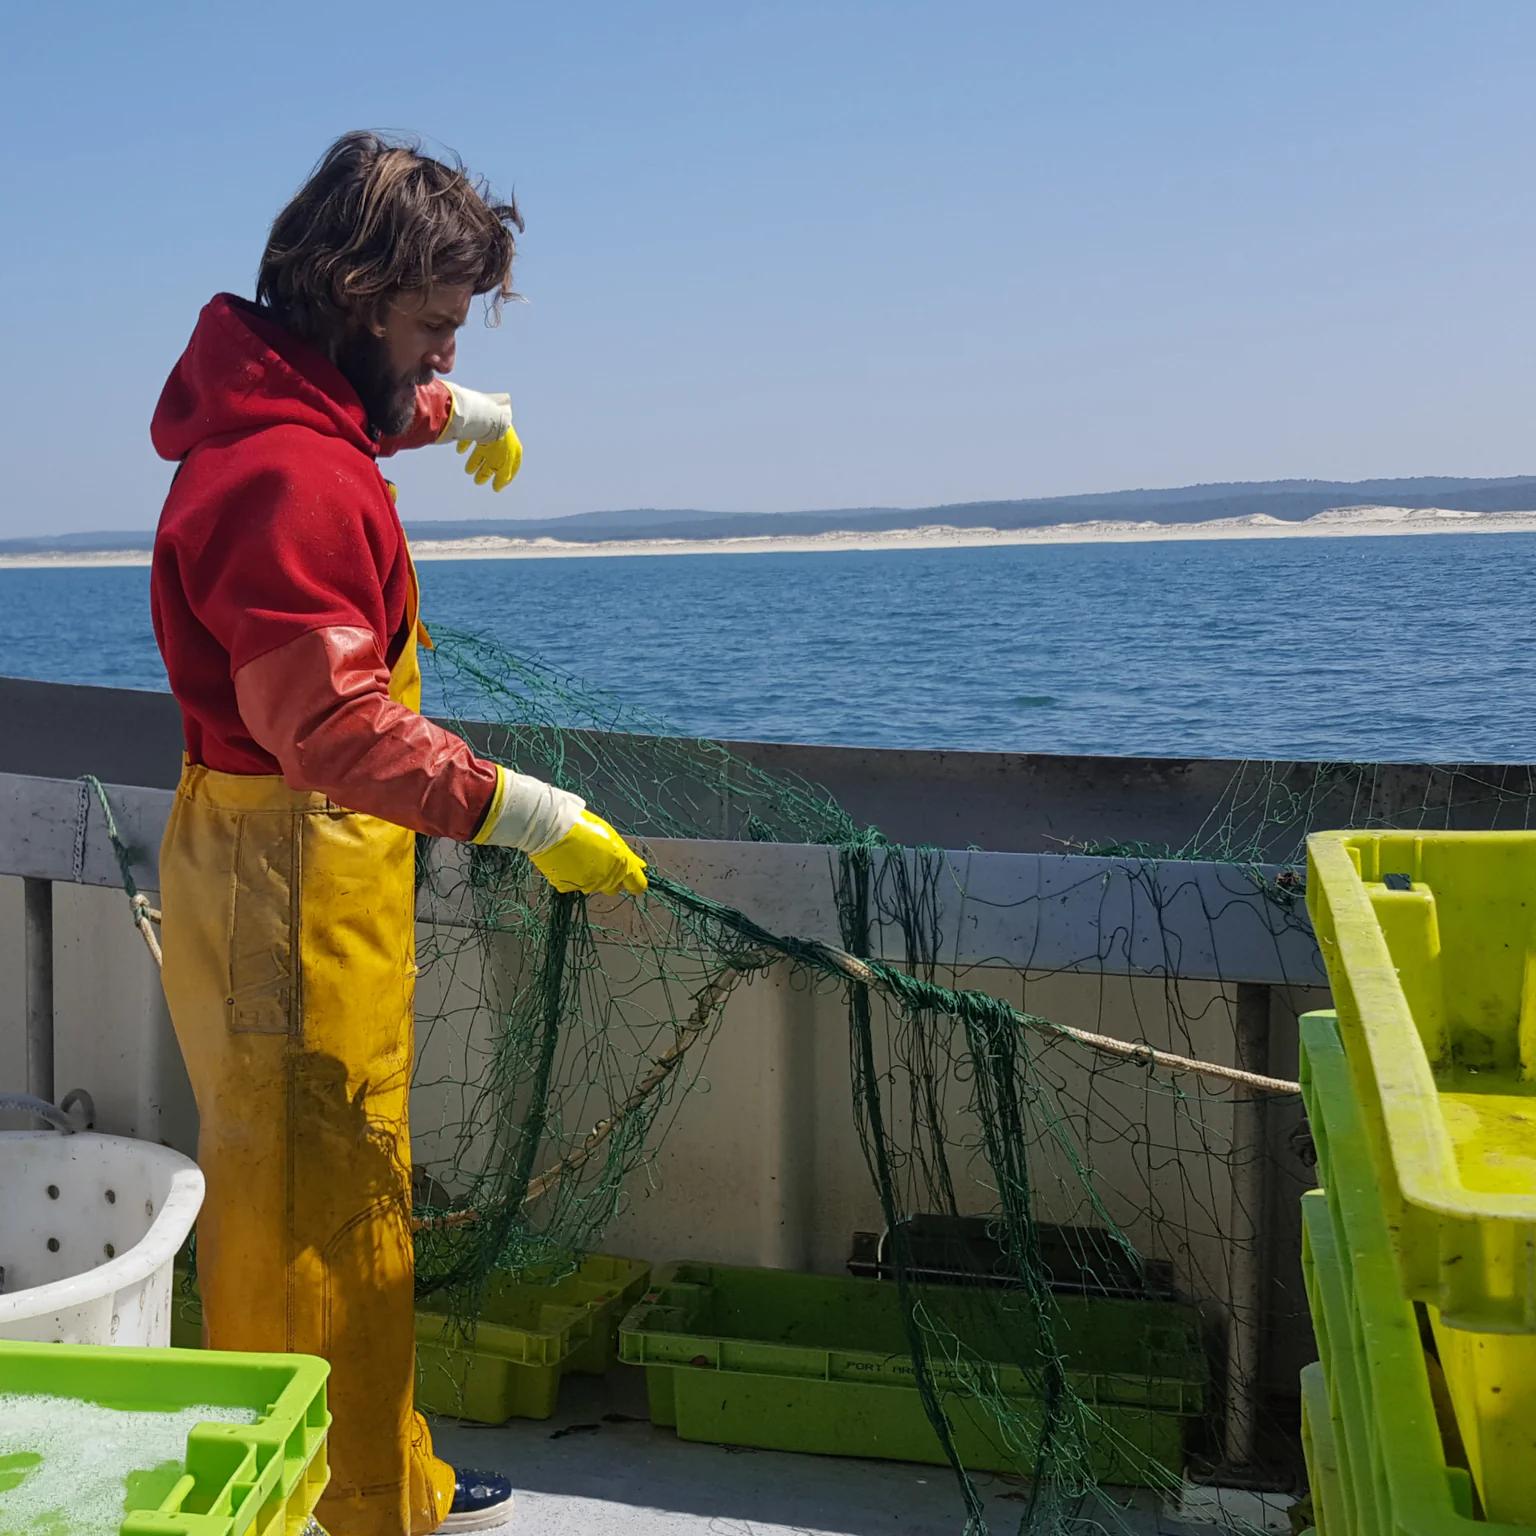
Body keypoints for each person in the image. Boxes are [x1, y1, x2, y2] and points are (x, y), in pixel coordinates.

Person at [149, 131, 647, 1536]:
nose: (437, 354)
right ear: (355, 295)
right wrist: (526, 812)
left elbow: (343, 413)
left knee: (333, 1182)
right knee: (314, 1213)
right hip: (289, 872)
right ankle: (340, 1503)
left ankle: (381, 1465)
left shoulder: (278, 404)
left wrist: (452, 407)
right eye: (429, 327)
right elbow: (331, 726)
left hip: (294, 860)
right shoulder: (284, 481)